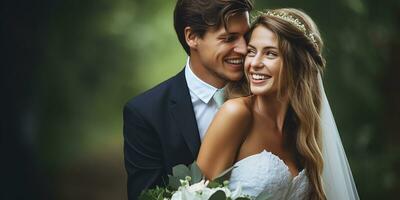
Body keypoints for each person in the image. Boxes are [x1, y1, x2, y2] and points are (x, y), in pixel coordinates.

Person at [197, 8, 359, 200]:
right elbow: (200, 194)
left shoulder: (303, 133)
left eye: (270, 54)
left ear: (297, 64)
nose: (254, 63)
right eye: (251, 51)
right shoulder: (236, 113)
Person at [122, 0, 254, 199]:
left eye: (246, 36)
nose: (244, 49)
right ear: (192, 37)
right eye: (229, 38)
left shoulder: (266, 95)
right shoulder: (145, 113)